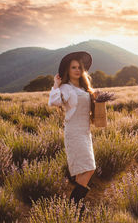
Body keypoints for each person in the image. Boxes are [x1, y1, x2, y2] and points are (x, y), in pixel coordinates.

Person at [48, 51, 97, 216]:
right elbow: (54, 101)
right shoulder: (66, 88)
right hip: (74, 132)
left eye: (79, 67)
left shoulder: (84, 88)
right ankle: (73, 204)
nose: (77, 70)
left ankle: (77, 210)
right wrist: (56, 84)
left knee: (82, 170)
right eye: (73, 67)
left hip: (85, 131)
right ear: (68, 71)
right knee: (90, 167)